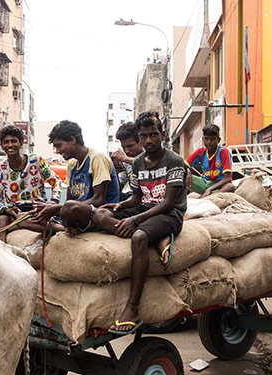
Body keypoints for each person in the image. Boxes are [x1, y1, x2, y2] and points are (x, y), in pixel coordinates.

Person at [91, 112, 187, 335]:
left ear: (162, 134)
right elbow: (136, 197)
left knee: (139, 237)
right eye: (144, 136)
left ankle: (132, 309)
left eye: (153, 135)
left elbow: (168, 203)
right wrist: (119, 207)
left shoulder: (174, 161)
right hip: (145, 208)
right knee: (99, 216)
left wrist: (135, 220)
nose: (149, 141)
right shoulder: (136, 163)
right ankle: (157, 239)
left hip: (169, 214)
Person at [32, 120, 119, 231]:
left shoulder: (97, 158)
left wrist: (57, 208)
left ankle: (59, 228)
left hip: (100, 214)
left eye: (59, 146)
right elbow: (70, 199)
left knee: (68, 207)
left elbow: (99, 200)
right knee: (32, 216)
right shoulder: (72, 165)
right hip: (79, 214)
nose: (57, 151)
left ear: (72, 140)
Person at [0, 125, 64, 241]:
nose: (10, 145)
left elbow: (56, 182)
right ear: (2, 145)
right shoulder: (0, 167)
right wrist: (6, 210)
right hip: (13, 212)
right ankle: (1, 253)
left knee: (23, 221)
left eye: (14, 141)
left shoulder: (36, 160)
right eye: (6, 142)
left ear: (21, 142)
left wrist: (52, 202)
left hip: (36, 209)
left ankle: (59, 228)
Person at [186, 124, 234, 197]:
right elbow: (182, 164)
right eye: (206, 138)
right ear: (203, 139)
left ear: (218, 140)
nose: (209, 142)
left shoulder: (223, 152)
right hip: (204, 183)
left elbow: (227, 178)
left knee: (230, 186)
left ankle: (210, 196)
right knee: (182, 175)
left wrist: (210, 189)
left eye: (212, 139)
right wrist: (187, 170)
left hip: (219, 185)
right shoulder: (200, 152)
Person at [111, 122, 144, 201]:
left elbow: (149, 162)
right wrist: (114, 172)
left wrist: (125, 159)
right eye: (123, 147)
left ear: (140, 141)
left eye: (130, 146)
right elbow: (119, 188)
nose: (126, 151)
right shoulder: (126, 162)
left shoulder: (150, 154)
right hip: (134, 197)